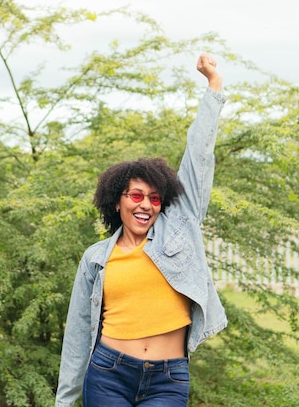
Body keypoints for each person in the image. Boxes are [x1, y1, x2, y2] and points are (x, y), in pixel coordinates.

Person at [55, 53, 228, 407]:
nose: (145, 204)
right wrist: (64, 400)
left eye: (154, 198)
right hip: (107, 374)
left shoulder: (178, 228)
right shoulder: (96, 259)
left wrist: (214, 88)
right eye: (135, 195)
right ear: (116, 201)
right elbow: (76, 336)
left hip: (168, 378)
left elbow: (198, 157)